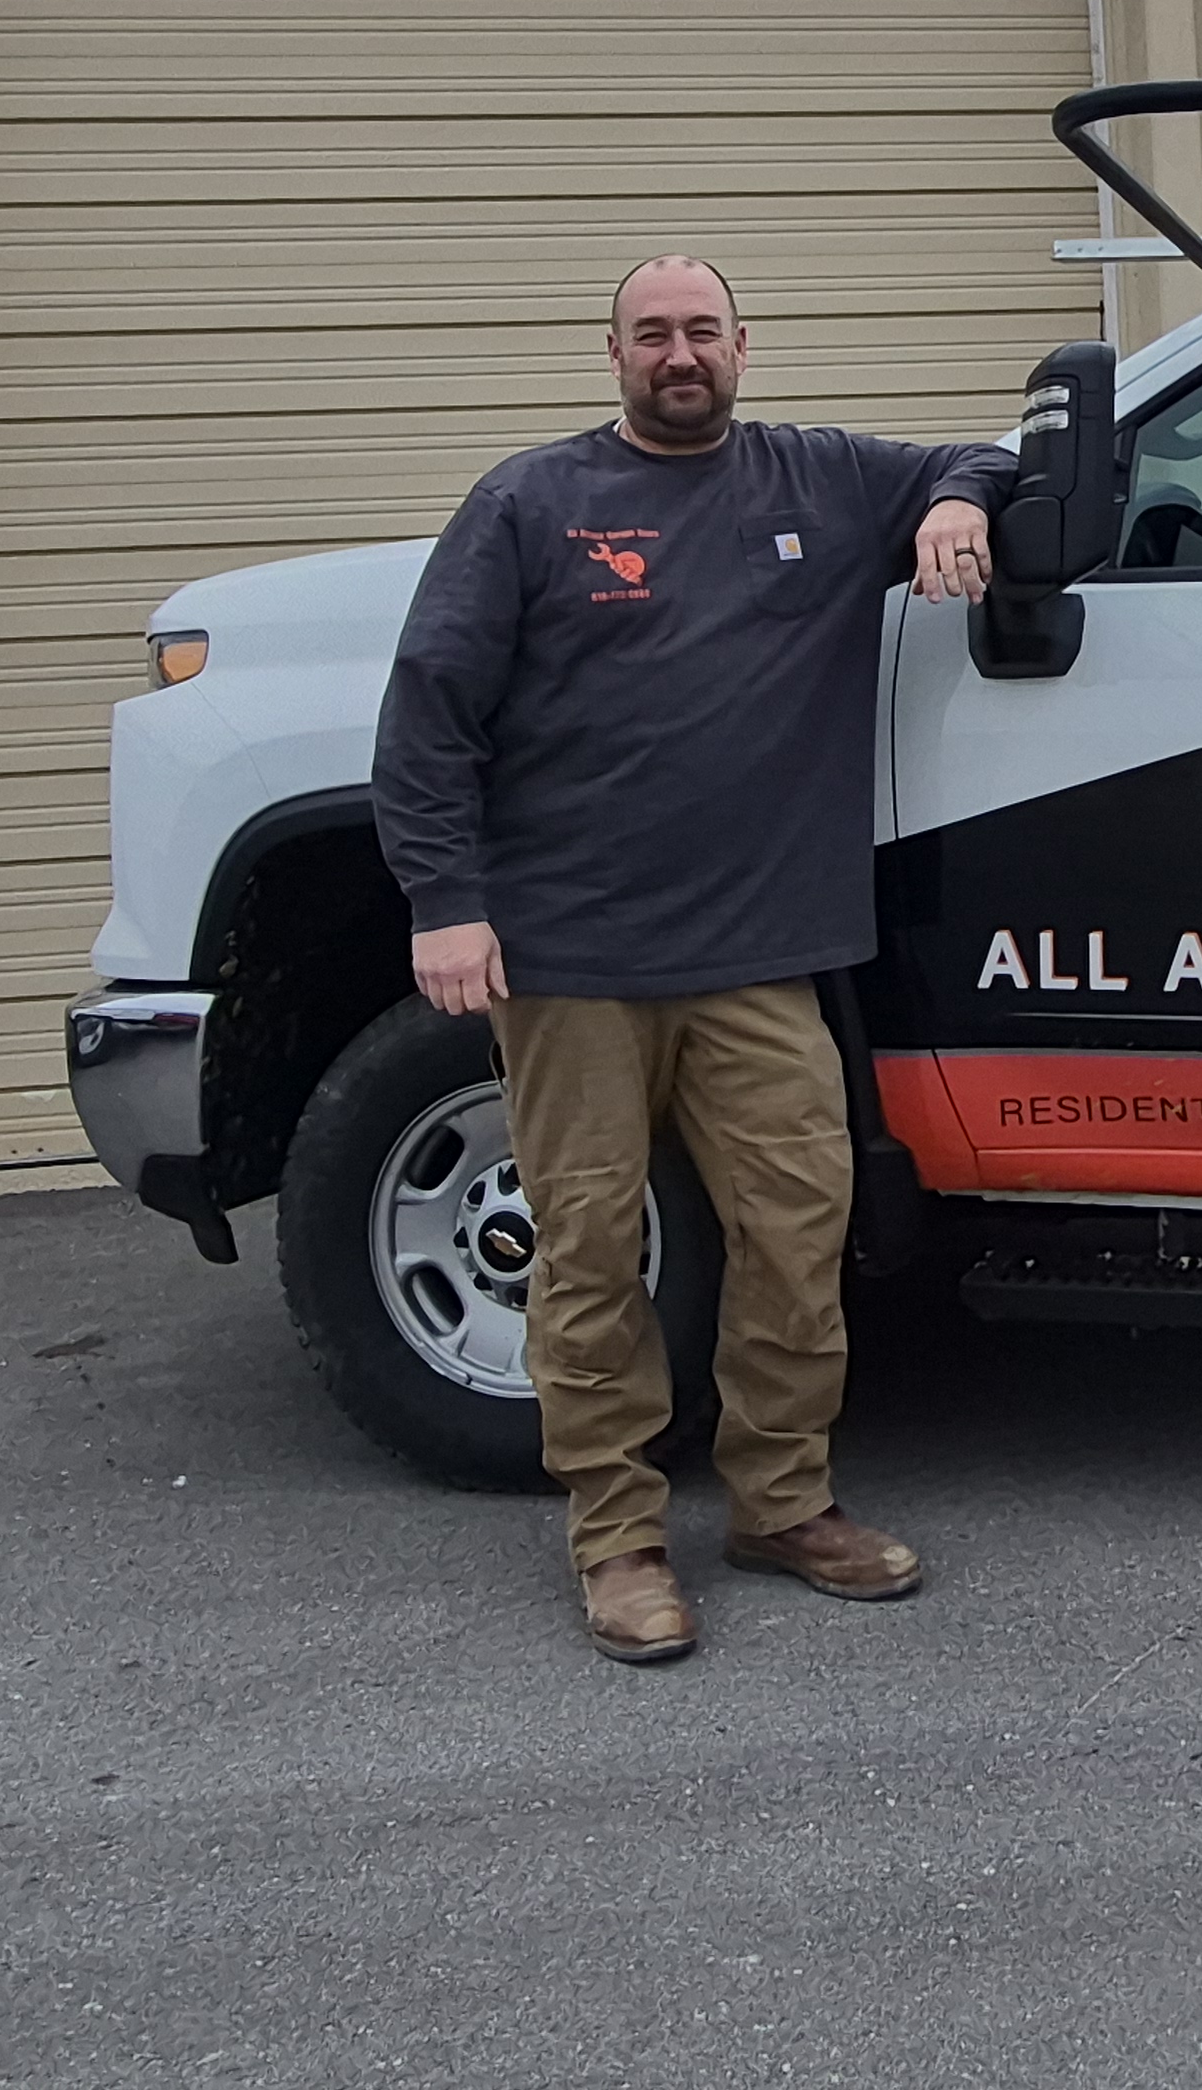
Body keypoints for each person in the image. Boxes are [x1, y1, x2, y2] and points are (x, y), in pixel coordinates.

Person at [370, 255, 1011, 1665]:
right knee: (591, 1252)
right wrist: (444, 899)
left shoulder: (821, 479)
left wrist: (959, 503)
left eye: (702, 331)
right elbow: (430, 709)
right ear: (611, 354)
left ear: (743, 345)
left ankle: (781, 1502)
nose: (680, 353)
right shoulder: (532, 503)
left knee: (797, 1232)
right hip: (571, 955)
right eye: (652, 333)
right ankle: (620, 1538)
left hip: (759, 957)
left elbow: (982, 451)